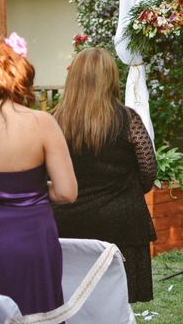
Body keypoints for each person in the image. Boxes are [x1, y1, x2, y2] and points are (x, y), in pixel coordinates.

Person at [0, 35, 77, 324]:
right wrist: (30, 195)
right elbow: (67, 191)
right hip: (31, 239)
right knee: (35, 319)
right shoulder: (41, 123)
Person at [53, 48, 157, 303]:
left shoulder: (54, 121)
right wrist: (126, 191)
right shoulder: (128, 118)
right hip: (122, 222)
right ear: (111, 78)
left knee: (72, 295)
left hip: (68, 221)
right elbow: (148, 171)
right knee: (118, 298)